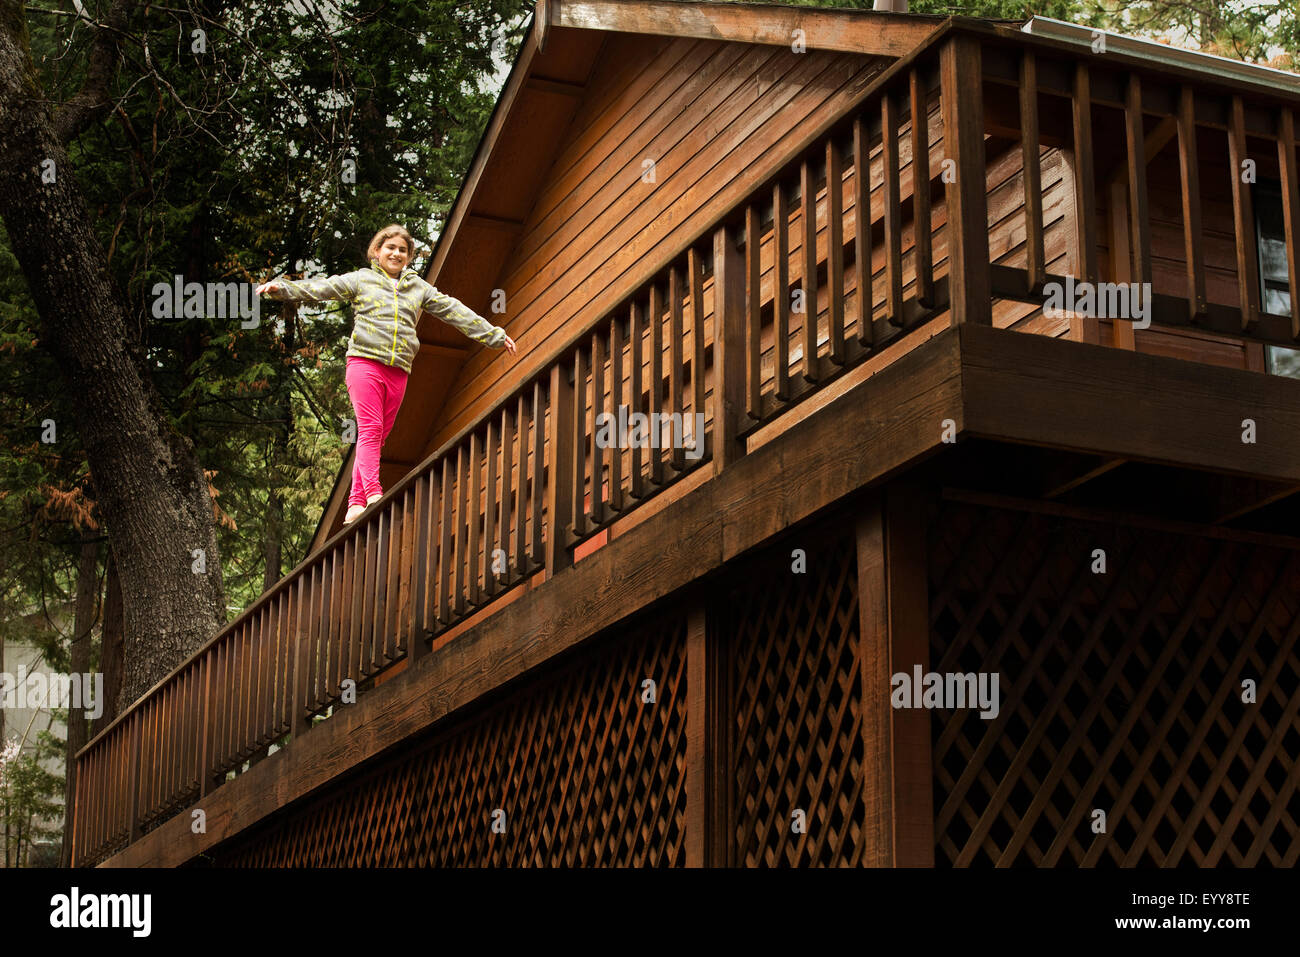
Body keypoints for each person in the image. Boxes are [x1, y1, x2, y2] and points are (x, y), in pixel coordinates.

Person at [256, 224, 517, 524]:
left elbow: (453, 310)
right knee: (369, 430)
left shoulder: (418, 288)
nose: (396, 253)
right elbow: (322, 288)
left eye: (402, 250)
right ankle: (373, 493)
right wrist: (284, 289)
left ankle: (354, 503)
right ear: (377, 252)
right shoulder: (362, 280)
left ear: (408, 258)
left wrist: (493, 335)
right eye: (390, 247)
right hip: (364, 364)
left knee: (377, 438)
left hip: (399, 373)